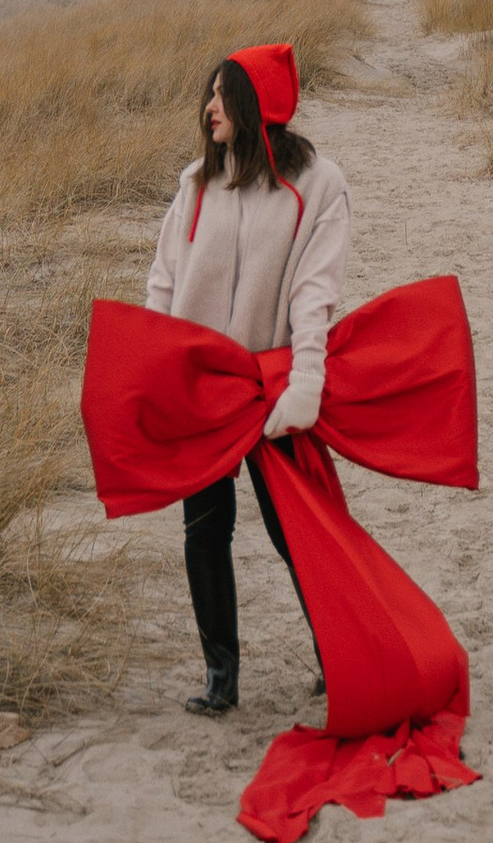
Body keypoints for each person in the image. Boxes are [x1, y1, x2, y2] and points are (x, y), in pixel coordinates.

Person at [143, 39, 352, 716]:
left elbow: (313, 294)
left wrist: (307, 383)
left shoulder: (317, 186)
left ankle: (336, 655)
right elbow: (163, 280)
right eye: (207, 94)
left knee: (297, 529)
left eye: (221, 94)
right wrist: (155, 362)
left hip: (272, 387)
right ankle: (220, 677)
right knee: (205, 529)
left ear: (256, 104)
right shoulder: (194, 186)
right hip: (203, 387)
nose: (208, 108)